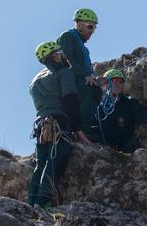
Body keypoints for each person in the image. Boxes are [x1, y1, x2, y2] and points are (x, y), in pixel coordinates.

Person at [27, 41, 91, 208]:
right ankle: (42, 204)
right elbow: (71, 101)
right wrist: (78, 128)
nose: (65, 55)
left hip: (41, 125)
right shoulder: (64, 73)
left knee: (40, 165)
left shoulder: (35, 81)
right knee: (55, 163)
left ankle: (30, 205)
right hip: (59, 123)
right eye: (61, 52)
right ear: (55, 56)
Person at [57, 8, 101, 140]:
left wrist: (94, 77)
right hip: (71, 82)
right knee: (91, 93)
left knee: (95, 92)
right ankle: (80, 129)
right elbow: (66, 59)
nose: (92, 31)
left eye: (94, 28)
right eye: (90, 27)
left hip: (82, 80)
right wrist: (85, 75)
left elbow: (87, 68)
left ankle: (85, 128)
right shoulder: (68, 37)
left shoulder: (83, 47)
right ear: (79, 24)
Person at [95, 69, 147, 153]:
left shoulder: (131, 103)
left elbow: (143, 121)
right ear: (105, 84)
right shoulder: (99, 106)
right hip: (105, 150)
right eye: (115, 81)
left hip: (128, 148)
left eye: (121, 82)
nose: (119, 84)